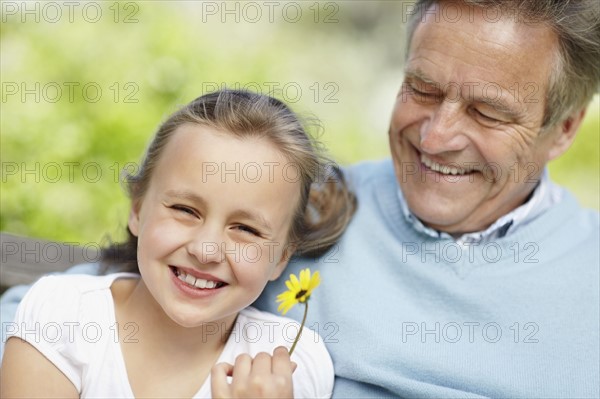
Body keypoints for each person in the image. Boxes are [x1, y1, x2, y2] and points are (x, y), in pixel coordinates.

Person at [1, 0, 599, 397]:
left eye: (487, 111)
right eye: (421, 88)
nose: (437, 136)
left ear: (565, 128)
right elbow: (77, 306)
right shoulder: (313, 205)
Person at [0, 89, 356, 398]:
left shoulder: (293, 364)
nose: (206, 249)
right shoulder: (62, 317)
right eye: (185, 209)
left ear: (282, 256)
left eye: (246, 229)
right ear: (138, 209)